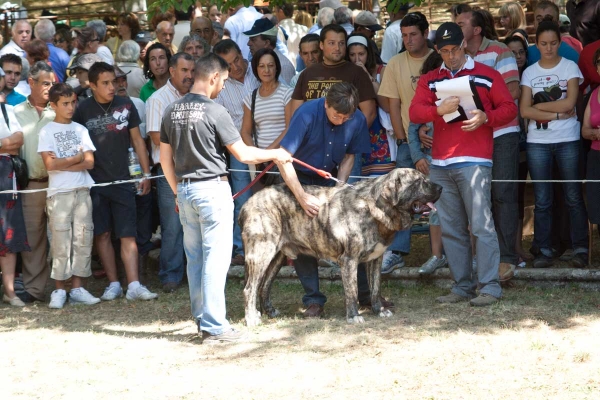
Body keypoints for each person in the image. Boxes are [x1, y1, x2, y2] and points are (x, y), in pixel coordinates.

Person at [159, 52, 292, 343]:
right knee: (215, 260)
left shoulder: (170, 110)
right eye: (224, 81)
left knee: (194, 258)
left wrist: (176, 191)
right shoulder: (215, 111)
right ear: (214, 77)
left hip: (185, 190)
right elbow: (243, 154)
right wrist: (276, 153)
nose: (223, 88)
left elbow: (164, 159)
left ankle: (201, 318)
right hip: (212, 189)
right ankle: (215, 325)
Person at [409, 22, 518, 306]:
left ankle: (490, 286)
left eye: (455, 49)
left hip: (475, 160)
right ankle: (462, 286)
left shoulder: (487, 74)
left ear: (464, 45)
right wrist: (438, 110)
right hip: (441, 162)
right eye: (444, 51)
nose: (451, 56)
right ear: (437, 50)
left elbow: (509, 108)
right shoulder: (430, 79)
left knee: (481, 224)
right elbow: (415, 111)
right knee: (451, 228)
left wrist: (486, 117)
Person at [278, 81, 391, 318]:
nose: (341, 121)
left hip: (331, 178)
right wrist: (301, 196)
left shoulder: (357, 119)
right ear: (326, 103)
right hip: (298, 178)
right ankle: (313, 300)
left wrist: (340, 188)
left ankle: (366, 295)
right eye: (337, 115)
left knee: (356, 237)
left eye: (345, 118)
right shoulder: (307, 114)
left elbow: (350, 155)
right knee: (304, 239)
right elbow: (283, 158)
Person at [72, 62, 158, 301]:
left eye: (115, 81)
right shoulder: (82, 110)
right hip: (95, 182)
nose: (113, 87)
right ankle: (113, 283)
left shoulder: (126, 104)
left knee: (127, 233)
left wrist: (145, 173)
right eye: (106, 83)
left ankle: (134, 285)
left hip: (124, 180)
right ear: (92, 86)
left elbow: (138, 141)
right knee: (103, 234)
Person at [456, 7, 521, 279]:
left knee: (503, 194)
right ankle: (482, 258)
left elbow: (514, 91)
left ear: (477, 29)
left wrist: (482, 110)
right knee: (477, 198)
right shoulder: (456, 55)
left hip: (502, 133)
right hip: (471, 135)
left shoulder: (500, 51)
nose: (455, 26)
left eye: (460, 23)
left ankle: (507, 258)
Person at [520, 20, 589, 269]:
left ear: (560, 43)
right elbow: (524, 110)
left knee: (573, 195)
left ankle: (580, 248)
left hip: (568, 139)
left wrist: (538, 107)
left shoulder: (570, 66)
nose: (548, 48)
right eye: (543, 44)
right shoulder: (529, 72)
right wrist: (556, 114)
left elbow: (569, 103)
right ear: (536, 45)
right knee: (542, 199)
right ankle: (543, 249)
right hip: (538, 142)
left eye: (552, 43)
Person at [378, 12, 433, 274]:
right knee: (400, 198)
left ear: (425, 33)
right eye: (404, 36)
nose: (409, 40)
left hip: (439, 139)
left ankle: (444, 253)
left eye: (413, 34)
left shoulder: (438, 59)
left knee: (442, 197)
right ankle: (397, 251)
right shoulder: (395, 63)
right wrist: (402, 139)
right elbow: (393, 104)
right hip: (406, 143)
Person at [37, 83, 99, 309]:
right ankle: (59, 289)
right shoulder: (46, 131)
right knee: (60, 242)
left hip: (82, 191)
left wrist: (64, 163)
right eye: (65, 103)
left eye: (73, 102)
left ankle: (78, 288)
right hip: (59, 194)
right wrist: (75, 158)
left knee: (83, 239)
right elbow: (50, 165)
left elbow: (90, 162)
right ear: (53, 105)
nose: (71, 107)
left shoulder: (81, 130)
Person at [146, 52, 195, 292]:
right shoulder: (158, 99)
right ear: (172, 71)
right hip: (170, 171)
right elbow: (156, 137)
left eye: (192, 71)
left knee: (194, 223)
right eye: (184, 71)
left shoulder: (198, 97)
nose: (189, 75)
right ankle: (170, 275)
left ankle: (193, 273)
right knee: (173, 225)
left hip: (196, 170)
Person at [212, 39, 261, 266]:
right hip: (239, 148)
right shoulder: (220, 87)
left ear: (242, 54)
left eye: (238, 60)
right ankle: (241, 248)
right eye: (229, 65)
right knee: (242, 198)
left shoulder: (260, 70)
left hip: (268, 141)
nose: (236, 67)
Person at [13, 61, 56, 304]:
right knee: (34, 239)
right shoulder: (16, 112)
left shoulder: (59, 110)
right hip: (29, 185)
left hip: (59, 183)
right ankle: (34, 289)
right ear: (31, 82)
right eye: (45, 83)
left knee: (63, 236)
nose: (49, 88)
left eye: (52, 83)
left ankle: (66, 287)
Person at [406, 51, 447, 275]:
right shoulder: (422, 104)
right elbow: (412, 132)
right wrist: (418, 158)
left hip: (456, 160)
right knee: (436, 211)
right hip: (432, 163)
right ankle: (436, 256)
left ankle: (469, 257)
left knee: (465, 211)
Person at [240, 48, 292, 190]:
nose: (266, 70)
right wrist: (256, 154)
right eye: (261, 66)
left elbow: (289, 128)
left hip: (282, 158)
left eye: (270, 65)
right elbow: (245, 131)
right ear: (256, 69)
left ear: (277, 67)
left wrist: (268, 153)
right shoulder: (251, 97)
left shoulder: (287, 93)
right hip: (260, 163)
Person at [346, 33, 393, 176]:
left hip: (379, 127)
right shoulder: (346, 72)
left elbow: (386, 103)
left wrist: (366, 75)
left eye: (361, 54)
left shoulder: (382, 70)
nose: (357, 59)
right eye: (352, 55)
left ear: (369, 53)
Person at [504, 34, 533, 263]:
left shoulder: (534, 75)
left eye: (521, 52)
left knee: (521, 195)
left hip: (532, 141)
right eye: (512, 53)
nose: (518, 57)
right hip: (509, 142)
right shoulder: (504, 79)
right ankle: (509, 248)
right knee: (509, 195)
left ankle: (518, 245)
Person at [0, 79, 27, 307]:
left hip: (6, 173)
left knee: (8, 232)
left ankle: (10, 292)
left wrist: (4, 144)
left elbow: (18, 142)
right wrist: (4, 143)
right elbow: (10, 142)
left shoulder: (7, 109)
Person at [244, 18, 295, 84]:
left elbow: (289, 93)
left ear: (267, 43)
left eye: (253, 40)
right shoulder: (255, 61)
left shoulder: (284, 66)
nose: (248, 43)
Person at [582, 47, 600, 228]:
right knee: (597, 208)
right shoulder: (593, 94)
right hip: (596, 157)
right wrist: (597, 134)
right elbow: (585, 131)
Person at [275, 3, 308, 69]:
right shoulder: (304, 29)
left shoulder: (277, 31)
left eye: (276, 11)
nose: (275, 15)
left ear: (281, 11)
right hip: (303, 68)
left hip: (287, 68)